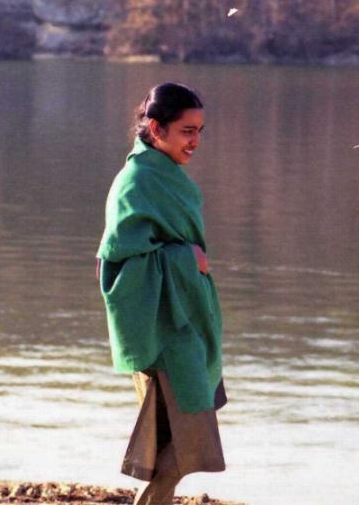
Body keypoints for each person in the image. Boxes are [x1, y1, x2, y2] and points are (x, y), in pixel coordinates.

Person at [96, 82, 227, 505]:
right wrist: (184, 259)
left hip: (186, 323)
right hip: (163, 332)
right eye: (187, 130)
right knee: (191, 443)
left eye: (200, 131)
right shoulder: (136, 182)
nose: (195, 141)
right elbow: (116, 266)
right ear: (156, 128)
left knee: (183, 440)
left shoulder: (164, 175)